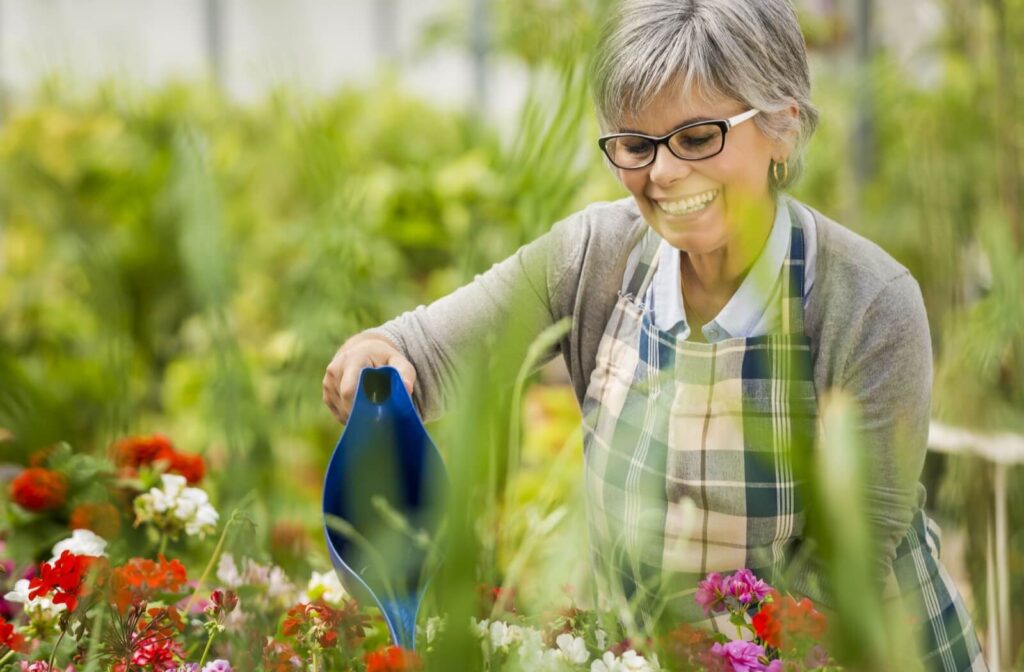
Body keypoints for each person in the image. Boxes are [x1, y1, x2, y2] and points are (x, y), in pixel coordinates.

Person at [323, 1, 985, 669]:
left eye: (698, 138)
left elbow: (839, 586)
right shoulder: (594, 260)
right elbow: (424, 350)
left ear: (782, 125)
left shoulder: (865, 302)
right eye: (636, 145)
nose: (663, 173)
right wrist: (376, 365)